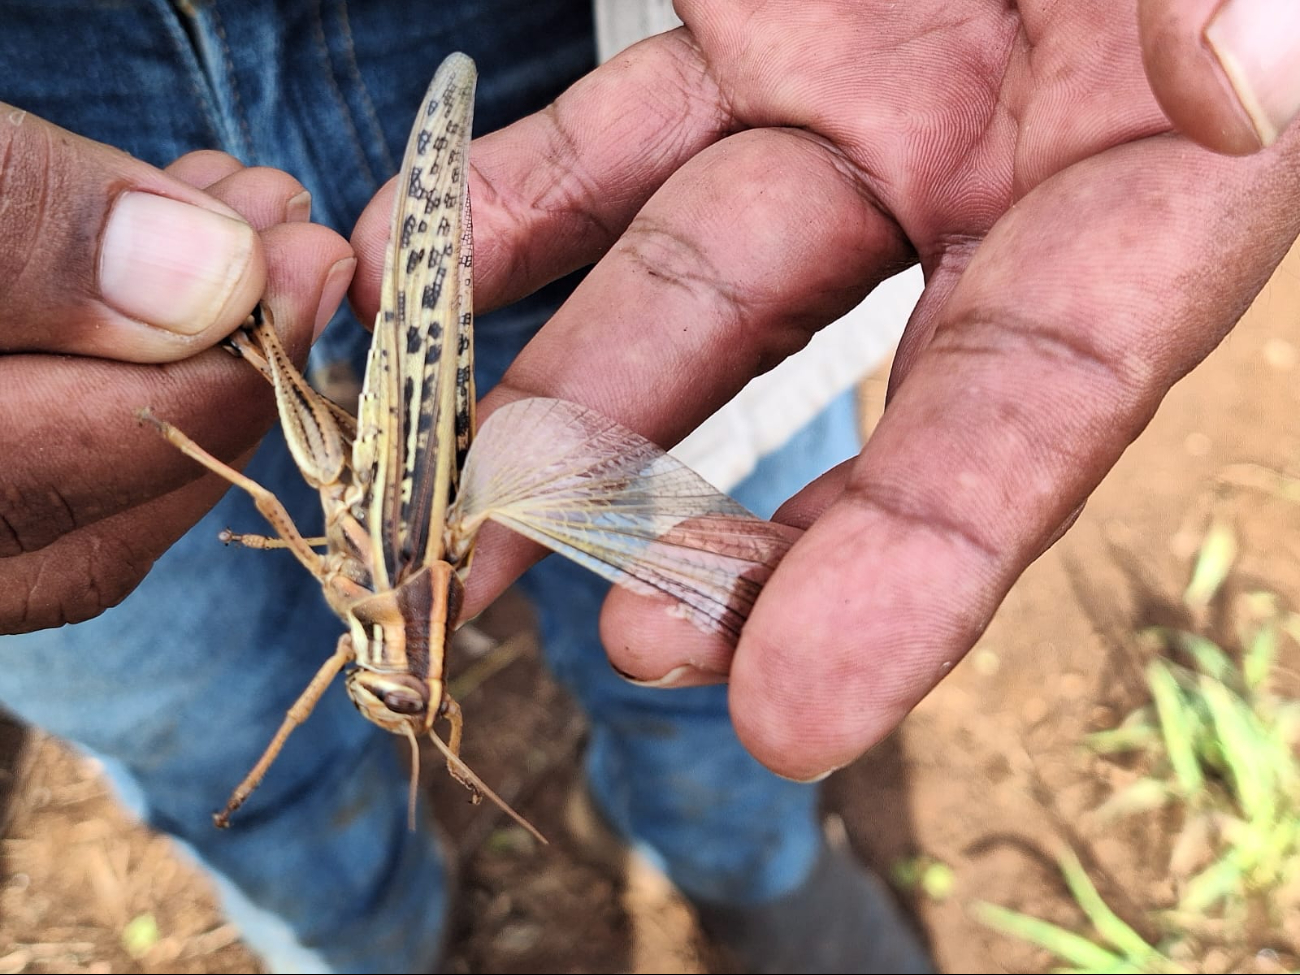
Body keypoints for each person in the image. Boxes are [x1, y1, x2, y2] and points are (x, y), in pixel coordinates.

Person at [0, 1, 1296, 972]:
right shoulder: (399, 596)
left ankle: (749, 863)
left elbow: (308, 516)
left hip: (615, 51)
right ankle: (349, 934)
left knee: (716, 630)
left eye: (415, 694)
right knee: (194, 706)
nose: (415, 697)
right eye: (417, 696)